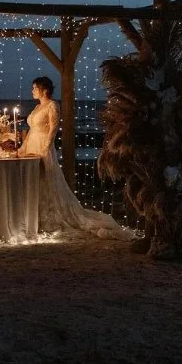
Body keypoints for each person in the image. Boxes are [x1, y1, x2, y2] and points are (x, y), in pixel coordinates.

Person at [17, 76, 135, 241]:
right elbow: (32, 130)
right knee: (34, 181)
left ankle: (48, 217)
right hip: (32, 145)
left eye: (35, 88)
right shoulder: (37, 107)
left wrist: (46, 148)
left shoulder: (52, 106)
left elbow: (53, 129)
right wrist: (23, 147)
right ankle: (32, 217)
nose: (32, 91)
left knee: (46, 181)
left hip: (43, 146)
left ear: (44, 90)